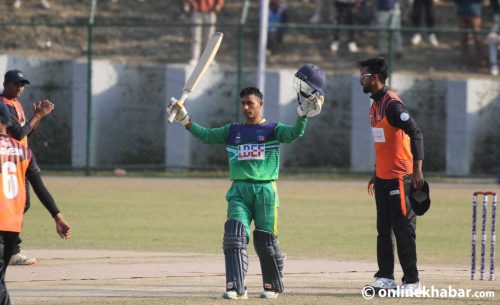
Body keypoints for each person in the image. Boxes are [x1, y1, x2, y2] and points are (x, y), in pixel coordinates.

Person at [167, 64, 326, 299]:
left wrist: (302, 116)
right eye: (243, 103)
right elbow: (206, 135)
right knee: (234, 235)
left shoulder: (273, 129)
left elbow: (294, 134)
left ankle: (272, 285)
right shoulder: (232, 131)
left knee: (265, 240)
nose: (246, 108)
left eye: (250, 103)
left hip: (265, 190)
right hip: (239, 190)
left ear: (260, 104)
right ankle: (236, 287)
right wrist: (185, 120)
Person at [357, 57, 424, 294]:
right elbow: (383, 143)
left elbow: (415, 133)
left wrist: (417, 171)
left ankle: (412, 282)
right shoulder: (374, 106)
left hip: (400, 177)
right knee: (383, 228)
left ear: (374, 78)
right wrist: (376, 172)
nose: (360, 80)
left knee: (403, 228)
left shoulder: (392, 105)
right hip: (383, 177)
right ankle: (385, 276)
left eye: (363, 76)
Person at [0, 101, 71, 305]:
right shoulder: (24, 152)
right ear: (7, 121)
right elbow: (40, 187)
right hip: (12, 228)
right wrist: (57, 216)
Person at [1, 69, 64, 265]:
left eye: (22, 85)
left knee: (23, 203)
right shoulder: (4, 105)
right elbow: (18, 134)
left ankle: (10, 247)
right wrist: (37, 116)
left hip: (20, 157)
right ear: (6, 84)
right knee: (18, 203)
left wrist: (37, 119)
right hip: (9, 160)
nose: (20, 88)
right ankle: (11, 249)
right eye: (16, 84)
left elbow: (24, 134)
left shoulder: (16, 104)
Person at [184, 0, 224, 65]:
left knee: (210, 37)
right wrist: (188, 3)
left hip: (210, 11)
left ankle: (209, 59)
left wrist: (219, 4)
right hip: (197, 11)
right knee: (196, 37)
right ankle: (195, 58)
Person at [455, 0, 485, 71]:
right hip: (461, 10)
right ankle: (464, 63)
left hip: (474, 11)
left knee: (478, 39)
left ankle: (481, 63)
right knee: (463, 39)